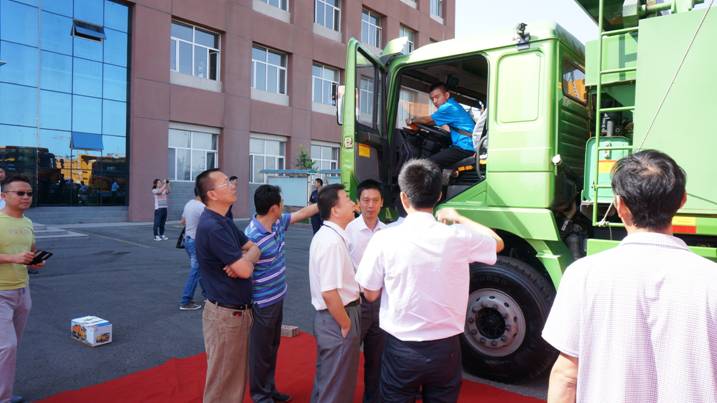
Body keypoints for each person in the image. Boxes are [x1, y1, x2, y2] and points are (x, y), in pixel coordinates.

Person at [542, 150, 717, 403]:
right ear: (682, 201)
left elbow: (566, 376)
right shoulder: (711, 279)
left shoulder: (582, 275)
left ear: (619, 205)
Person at [355, 159, 504, 402]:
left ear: (404, 198)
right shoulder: (457, 236)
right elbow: (497, 243)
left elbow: (369, 293)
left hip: (401, 348)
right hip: (446, 350)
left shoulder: (384, 239)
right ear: (439, 196)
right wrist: (457, 217)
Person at [244, 184, 319, 403]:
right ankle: (260, 396)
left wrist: (324, 199)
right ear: (274, 207)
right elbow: (242, 270)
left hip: (277, 298)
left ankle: (269, 389)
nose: (284, 205)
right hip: (262, 304)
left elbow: (302, 213)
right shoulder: (251, 236)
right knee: (261, 352)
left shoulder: (277, 224)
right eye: (282, 202)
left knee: (272, 348)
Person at [194, 168, 260, 403]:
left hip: (235, 313)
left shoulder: (224, 221)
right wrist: (244, 263)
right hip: (225, 315)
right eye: (225, 183)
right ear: (211, 194)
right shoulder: (213, 227)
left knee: (232, 379)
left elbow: (255, 248)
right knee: (223, 382)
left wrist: (245, 260)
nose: (232, 186)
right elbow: (245, 270)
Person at [309, 183, 361, 403]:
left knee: (329, 380)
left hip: (335, 317)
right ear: (335, 209)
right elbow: (329, 293)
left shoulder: (331, 236)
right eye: (347, 199)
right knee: (336, 386)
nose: (352, 203)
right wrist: (346, 324)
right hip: (338, 317)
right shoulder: (331, 242)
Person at [0, 175, 46, 403]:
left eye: (29, 193)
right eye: (20, 193)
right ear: (3, 196)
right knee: (6, 347)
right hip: (0, 293)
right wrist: (13, 258)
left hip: (22, 291)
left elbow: (31, 251)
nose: (26, 197)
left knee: (10, 347)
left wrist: (35, 260)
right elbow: (14, 256)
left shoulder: (27, 222)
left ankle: (4, 393)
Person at [345, 179, 387, 403]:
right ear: (358, 203)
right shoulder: (349, 231)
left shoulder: (387, 233)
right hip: (355, 304)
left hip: (380, 304)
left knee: (377, 359)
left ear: (382, 203)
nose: (370, 205)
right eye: (366, 200)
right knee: (347, 358)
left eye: (375, 200)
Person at [405, 83, 476, 169]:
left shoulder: (448, 107)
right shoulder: (453, 105)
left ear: (446, 95)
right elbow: (432, 122)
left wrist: (412, 120)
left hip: (465, 147)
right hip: (467, 145)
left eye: (437, 97)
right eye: (432, 99)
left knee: (427, 165)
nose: (434, 101)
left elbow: (428, 120)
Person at [178, 189, 206, 311]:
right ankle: (186, 300)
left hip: (188, 240)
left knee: (201, 269)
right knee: (196, 271)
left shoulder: (189, 203)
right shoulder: (202, 207)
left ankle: (207, 294)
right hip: (197, 242)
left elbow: (182, 221)